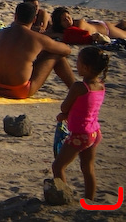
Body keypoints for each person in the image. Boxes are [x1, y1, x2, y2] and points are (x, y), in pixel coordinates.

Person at [52, 46, 110, 201]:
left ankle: (63, 196)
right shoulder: (100, 86)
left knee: (58, 166)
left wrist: (64, 114)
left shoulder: (79, 87)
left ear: (85, 67)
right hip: (94, 132)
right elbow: (85, 107)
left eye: (78, 61)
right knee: (87, 168)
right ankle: (90, 199)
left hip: (80, 134)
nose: (76, 64)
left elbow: (65, 106)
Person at [0, 1, 74, 99]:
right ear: (34, 19)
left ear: (15, 17)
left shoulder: (2, 33)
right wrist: (51, 38)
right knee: (56, 54)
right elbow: (67, 50)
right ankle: (76, 90)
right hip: (17, 90)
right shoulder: (36, 38)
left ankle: (76, 90)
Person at [49, 7, 126, 41]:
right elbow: (45, 34)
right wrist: (57, 34)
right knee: (121, 25)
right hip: (95, 24)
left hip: (106, 30)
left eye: (68, 17)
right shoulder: (61, 28)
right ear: (59, 24)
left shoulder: (78, 24)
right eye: (64, 20)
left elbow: (76, 35)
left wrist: (58, 35)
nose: (68, 20)